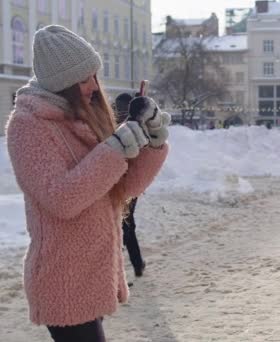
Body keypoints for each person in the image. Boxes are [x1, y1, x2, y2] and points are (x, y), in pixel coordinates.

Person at [5, 25, 169, 341]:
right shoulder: (27, 126)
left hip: (94, 273)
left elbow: (124, 189)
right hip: (62, 279)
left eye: (95, 75)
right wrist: (114, 149)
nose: (94, 86)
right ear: (62, 83)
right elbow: (61, 198)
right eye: (84, 79)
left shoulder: (84, 116)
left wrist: (153, 143)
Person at [114, 93, 146, 279]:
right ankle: (136, 263)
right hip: (128, 183)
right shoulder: (132, 127)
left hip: (118, 183)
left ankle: (131, 265)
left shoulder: (112, 126)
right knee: (126, 225)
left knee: (121, 226)